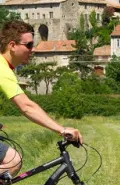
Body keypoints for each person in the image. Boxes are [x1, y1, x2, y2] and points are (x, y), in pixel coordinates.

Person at [0, 20, 82, 176]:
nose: (33, 49)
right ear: (12, 46)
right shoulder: (2, 69)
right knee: (12, 161)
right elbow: (26, 106)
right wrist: (61, 129)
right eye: (29, 45)